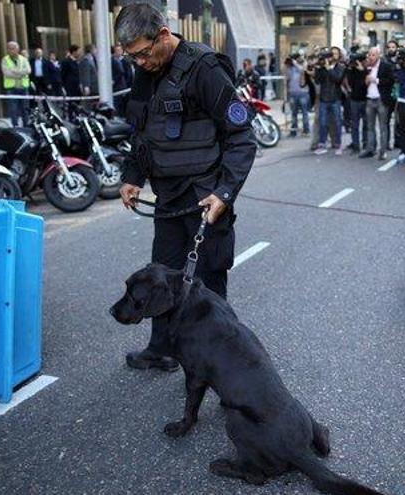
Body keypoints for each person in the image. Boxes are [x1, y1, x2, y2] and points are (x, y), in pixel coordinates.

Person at [115, 4, 256, 371]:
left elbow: (241, 137)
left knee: (208, 283)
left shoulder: (204, 68)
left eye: (144, 53)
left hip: (205, 197)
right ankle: (161, 348)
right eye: (133, 57)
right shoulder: (146, 70)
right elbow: (143, 132)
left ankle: (227, 362)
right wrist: (132, 176)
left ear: (164, 35)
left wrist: (224, 193)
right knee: (161, 279)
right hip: (168, 198)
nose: (141, 62)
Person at [360, 46, 395, 160]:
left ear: (379, 55)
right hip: (370, 98)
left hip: (381, 99)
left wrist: (376, 80)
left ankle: (383, 151)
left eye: (373, 55)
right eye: (369, 55)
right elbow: (364, 82)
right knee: (369, 126)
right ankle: (370, 149)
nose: (370, 57)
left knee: (382, 127)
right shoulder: (367, 67)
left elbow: (391, 81)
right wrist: (366, 81)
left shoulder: (386, 66)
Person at [312, 50, 345, 155]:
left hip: (335, 99)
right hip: (323, 99)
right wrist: (318, 69)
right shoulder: (321, 68)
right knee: (322, 122)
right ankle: (322, 144)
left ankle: (339, 144)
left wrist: (329, 69)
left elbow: (338, 79)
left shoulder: (340, 67)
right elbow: (317, 81)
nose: (326, 60)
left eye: (327, 58)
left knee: (337, 122)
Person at [342, 51, 368, 154]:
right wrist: (349, 68)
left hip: (365, 99)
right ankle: (355, 145)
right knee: (354, 124)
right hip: (354, 100)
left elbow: (366, 84)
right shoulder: (351, 70)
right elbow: (349, 81)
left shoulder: (367, 70)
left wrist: (363, 71)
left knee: (366, 124)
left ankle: (366, 144)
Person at [0, 41, 30, 126]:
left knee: (25, 109)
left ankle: (26, 125)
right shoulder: (5, 60)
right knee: (13, 110)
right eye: (9, 48)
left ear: (17, 49)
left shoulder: (23, 59)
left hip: (23, 88)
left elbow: (28, 70)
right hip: (11, 89)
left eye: (12, 48)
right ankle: (15, 125)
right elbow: (6, 73)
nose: (10, 50)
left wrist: (14, 71)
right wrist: (21, 74)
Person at [285, 56, 310, 137]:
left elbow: (303, 70)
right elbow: (288, 80)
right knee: (294, 113)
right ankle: (293, 131)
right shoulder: (290, 68)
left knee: (304, 113)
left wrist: (295, 64)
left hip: (303, 93)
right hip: (293, 93)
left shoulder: (304, 65)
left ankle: (306, 130)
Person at [111, 44, 133, 116]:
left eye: (119, 50)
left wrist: (126, 85)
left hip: (124, 87)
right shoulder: (113, 60)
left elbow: (129, 75)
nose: (118, 52)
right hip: (117, 87)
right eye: (116, 50)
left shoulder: (126, 61)